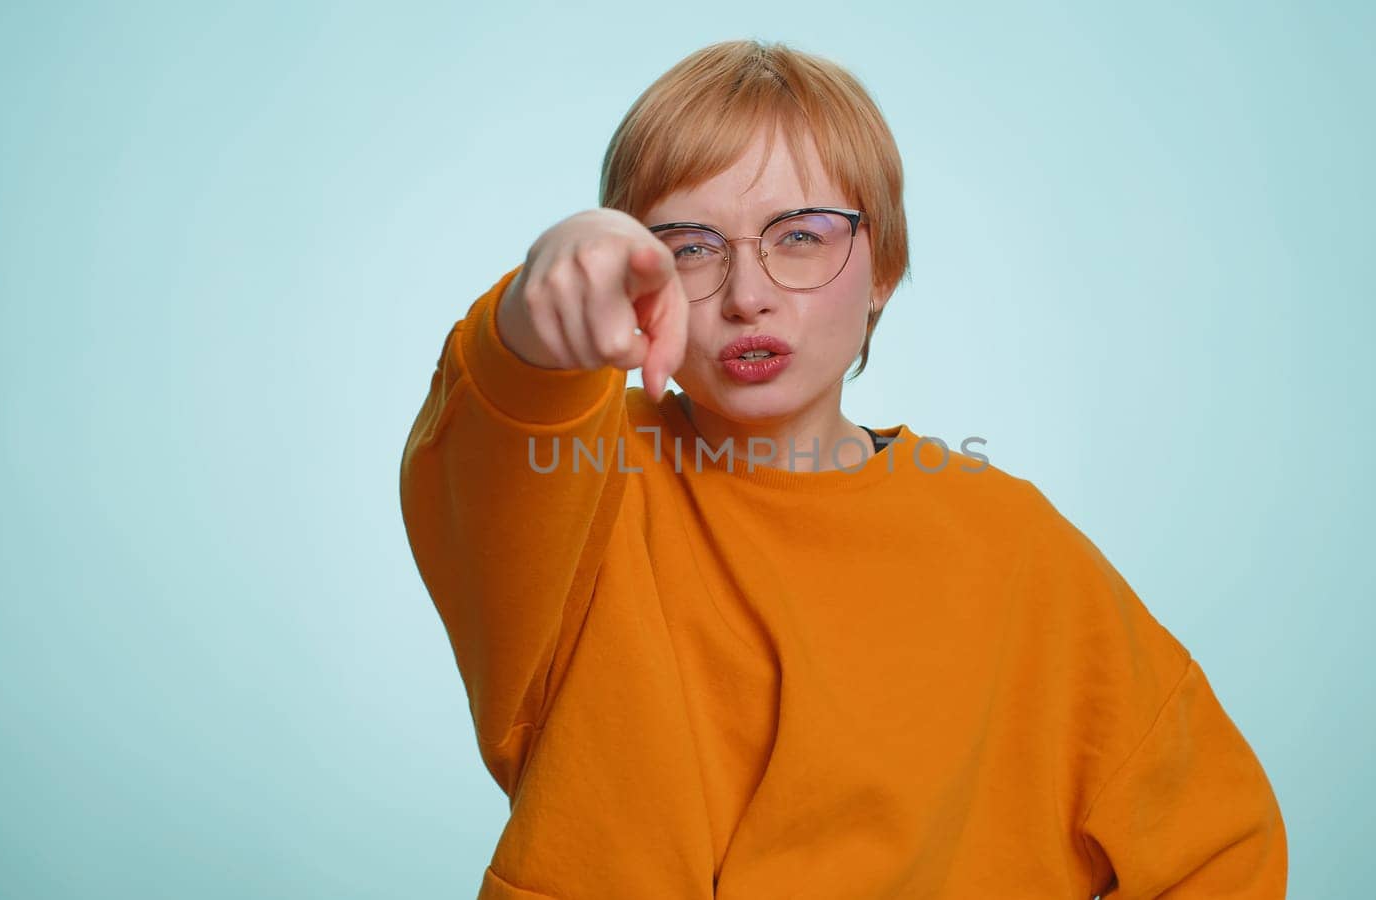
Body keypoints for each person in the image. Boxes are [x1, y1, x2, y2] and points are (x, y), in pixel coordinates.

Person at [400, 39, 1287, 899]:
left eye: (800, 236)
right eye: (689, 247)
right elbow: (499, 432)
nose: (747, 292)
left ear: (883, 271)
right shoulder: (586, 473)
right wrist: (537, 304)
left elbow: (1217, 840)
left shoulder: (1013, 546)